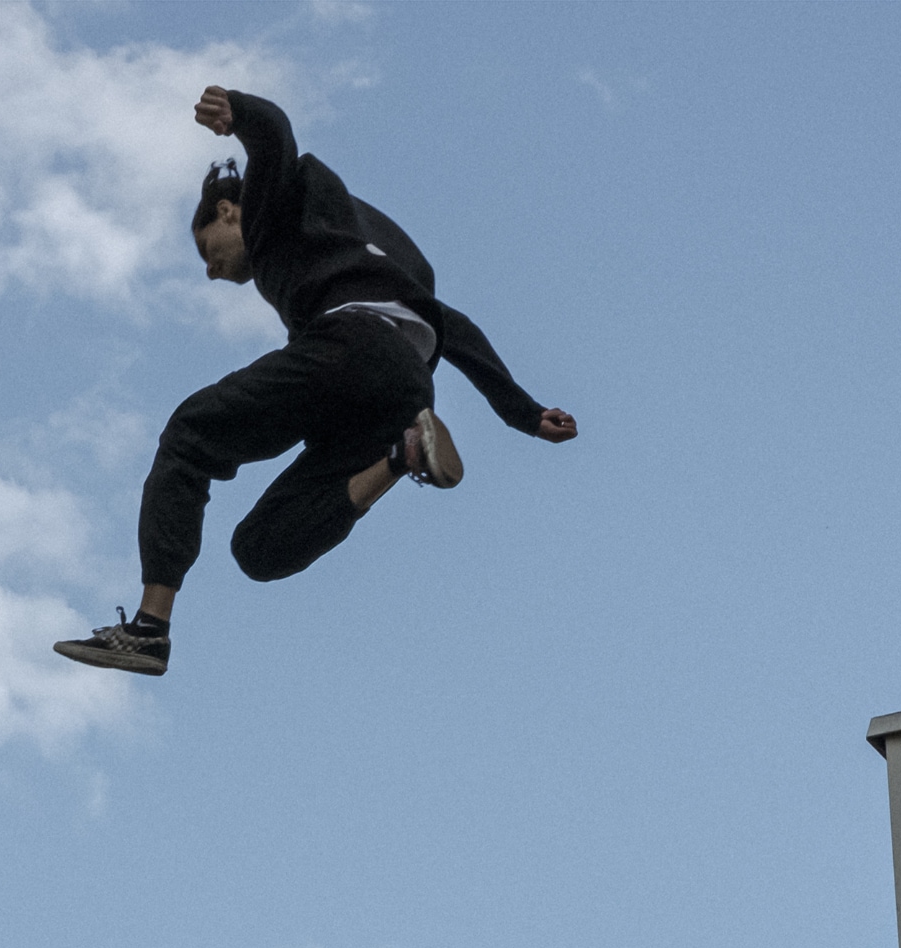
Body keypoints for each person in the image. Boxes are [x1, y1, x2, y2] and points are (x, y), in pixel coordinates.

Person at [54, 85, 577, 677]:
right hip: (403, 395)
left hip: (351, 345)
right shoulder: (362, 248)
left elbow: (275, 137)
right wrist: (524, 414)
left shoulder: (271, 211)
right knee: (262, 549)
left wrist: (239, 114)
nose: (210, 270)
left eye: (208, 248)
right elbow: (451, 326)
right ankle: (407, 456)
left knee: (190, 433)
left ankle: (149, 631)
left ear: (228, 212)